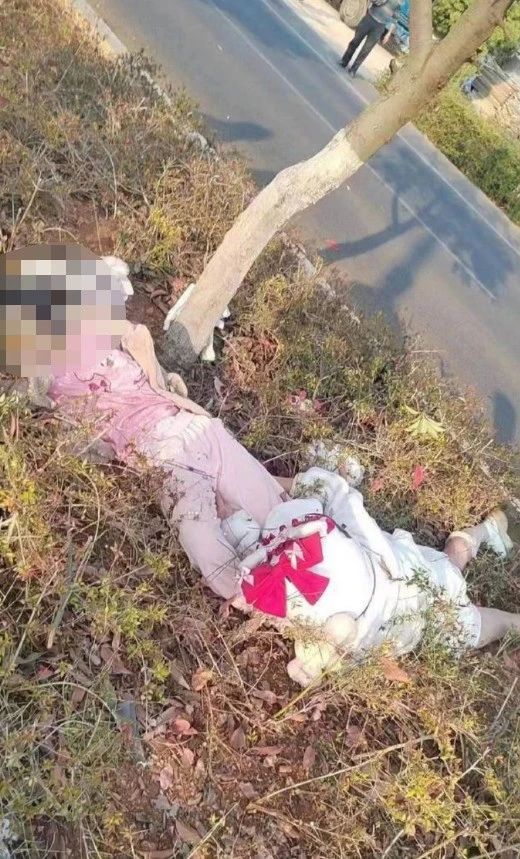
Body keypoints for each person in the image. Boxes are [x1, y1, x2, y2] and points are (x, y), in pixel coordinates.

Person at [1, 243, 518, 687]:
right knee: (217, 559)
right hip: (172, 466)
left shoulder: (110, 330)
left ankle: (478, 534)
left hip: (203, 434)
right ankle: (476, 534)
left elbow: (109, 293)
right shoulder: (49, 381)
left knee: (283, 517)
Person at [339, 0, 402, 77]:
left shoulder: (398, 3)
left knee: (366, 50)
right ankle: (344, 61)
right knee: (355, 41)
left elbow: (395, 20)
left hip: (379, 27)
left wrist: (388, 34)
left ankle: (353, 69)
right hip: (369, 18)